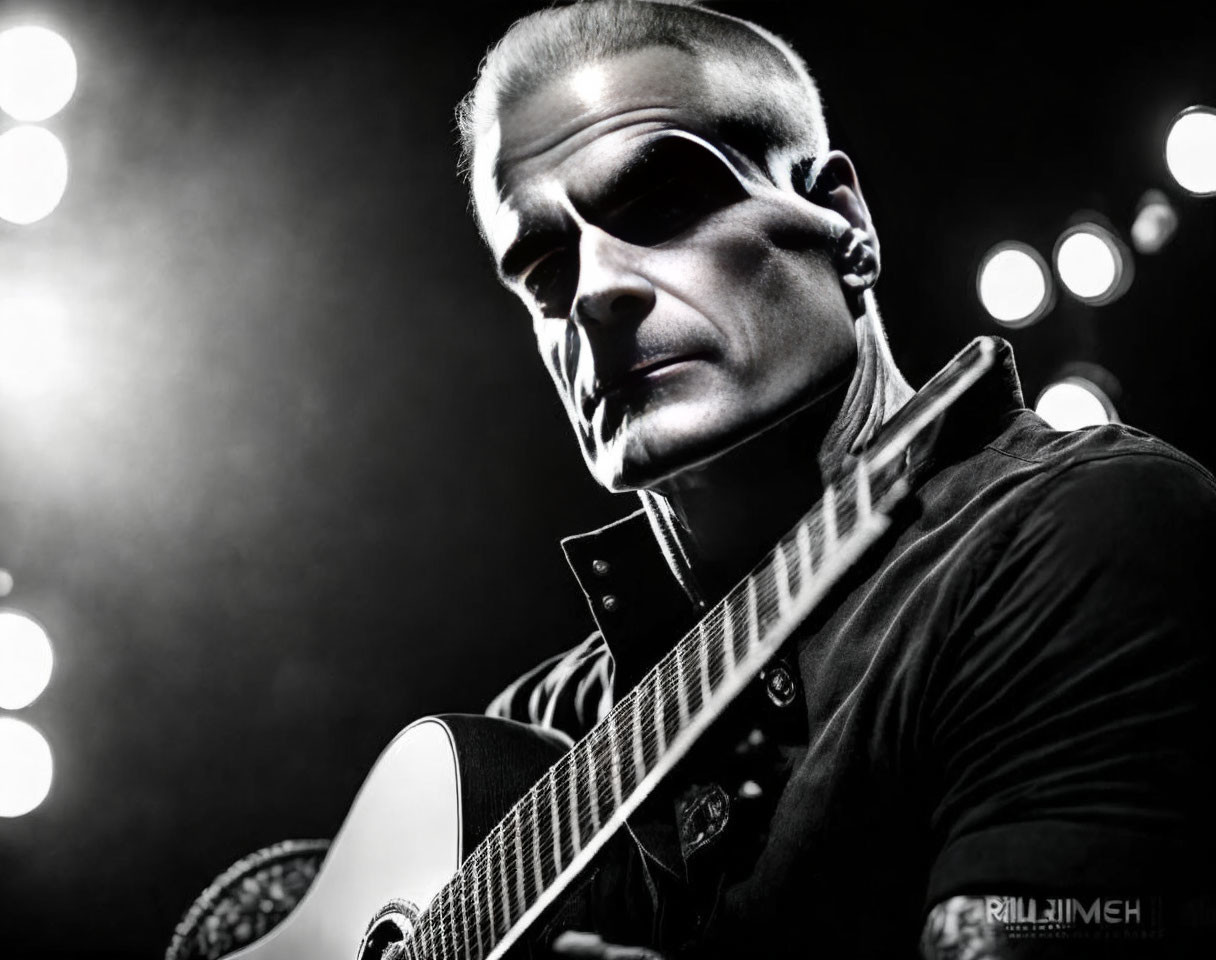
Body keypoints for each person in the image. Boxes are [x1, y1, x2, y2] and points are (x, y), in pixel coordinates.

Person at [456, 1, 1216, 958]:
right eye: (541, 268)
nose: (593, 291)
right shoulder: (526, 741)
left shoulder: (1079, 532)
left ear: (844, 222)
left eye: (661, 206)